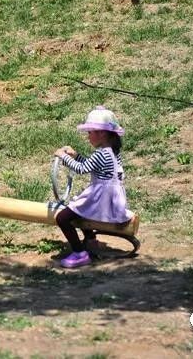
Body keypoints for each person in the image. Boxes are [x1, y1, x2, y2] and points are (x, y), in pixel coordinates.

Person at [53, 106, 133, 269]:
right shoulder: (111, 151)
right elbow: (92, 166)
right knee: (81, 212)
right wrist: (75, 156)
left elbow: (82, 169)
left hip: (100, 198)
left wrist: (63, 156)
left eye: (90, 132)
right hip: (108, 197)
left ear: (101, 133)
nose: (88, 136)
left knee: (62, 218)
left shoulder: (101, 154)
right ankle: (90, 241)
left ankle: (79, 253)